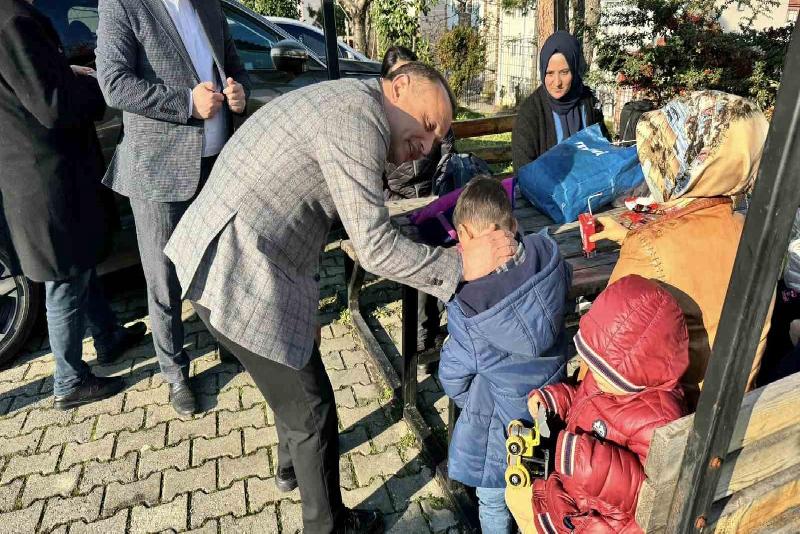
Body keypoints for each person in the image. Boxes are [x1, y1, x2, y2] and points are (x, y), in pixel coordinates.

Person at [164, 62, 517, 533]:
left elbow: (305, 210)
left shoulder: (351, 104)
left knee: (293, 377)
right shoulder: (359, 121)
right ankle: (328, 526)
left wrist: (304, 305)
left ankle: (291, 468)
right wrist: (462, 266)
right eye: (428, 124)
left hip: (242, 256)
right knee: (313, 409)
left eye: (438, 137)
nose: (430, 144)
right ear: (399, 86)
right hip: (234, 270)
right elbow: (374, 248)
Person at [95, 0, 252, 416]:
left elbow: (235, 66)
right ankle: (174, 372)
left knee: (219, 261)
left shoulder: (208, 4)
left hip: (218, 162)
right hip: (159, 168)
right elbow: (113, 83)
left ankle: (227, 341)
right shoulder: (123, 5)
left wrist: (240, 92)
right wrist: (186, 103)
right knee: (163, 279)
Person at [0, 0, 145, 409]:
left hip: (40, 169)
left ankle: (108, 336)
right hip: (45, 174)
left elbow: (31, 84)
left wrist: (67, 72)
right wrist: (96, 84)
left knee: (79, 262)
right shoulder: (12, 21)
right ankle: (68, 380)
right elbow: (52, 105)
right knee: (64, 276)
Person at [590, 90, 773, 407]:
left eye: (674, 150)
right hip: (736, 408)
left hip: (672, 419)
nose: (662, 159)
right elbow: (696, 253)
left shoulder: (651, 247)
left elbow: (602, 351)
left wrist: (640, 241)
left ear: (700, 161)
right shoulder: (752, 234)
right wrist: (637, 235)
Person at [438, 176, 572, 533]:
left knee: (494, 498)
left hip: (500, 428)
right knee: (540, 491)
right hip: (549, 406)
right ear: (512, 223)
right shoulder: (548, 255)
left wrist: (475, 399)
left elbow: (452, 376)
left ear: (464, 234)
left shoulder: (468, 305)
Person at [508, 275, 689, 533]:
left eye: (603, 371)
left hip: (601, 522)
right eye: (591, 363)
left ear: (642, 373)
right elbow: (583, 399)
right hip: (567, 499)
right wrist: (554, 401)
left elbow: (650, 495)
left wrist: (589, 463)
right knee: (516, 494)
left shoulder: (657, 418)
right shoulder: (606, 382)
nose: (593, 374)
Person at [381, 45, 455, 354]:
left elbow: (446, 161)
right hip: (395, 205)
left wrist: (436, 199)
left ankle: (444, 327)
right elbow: (375, 189)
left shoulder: (434, 120)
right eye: (400, 74)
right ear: (395, 86)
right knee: (422, 249)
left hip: (432, 198)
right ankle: (421, 336)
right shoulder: (378, 129)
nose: (425, 147)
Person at [512, 31, 608, 173]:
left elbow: (604, 149)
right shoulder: (530, 112)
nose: (557, 82)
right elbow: (523, 172)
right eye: (550, 73)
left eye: (564, 72)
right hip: (545, 185)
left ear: (574, 70)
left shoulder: (588, 102)